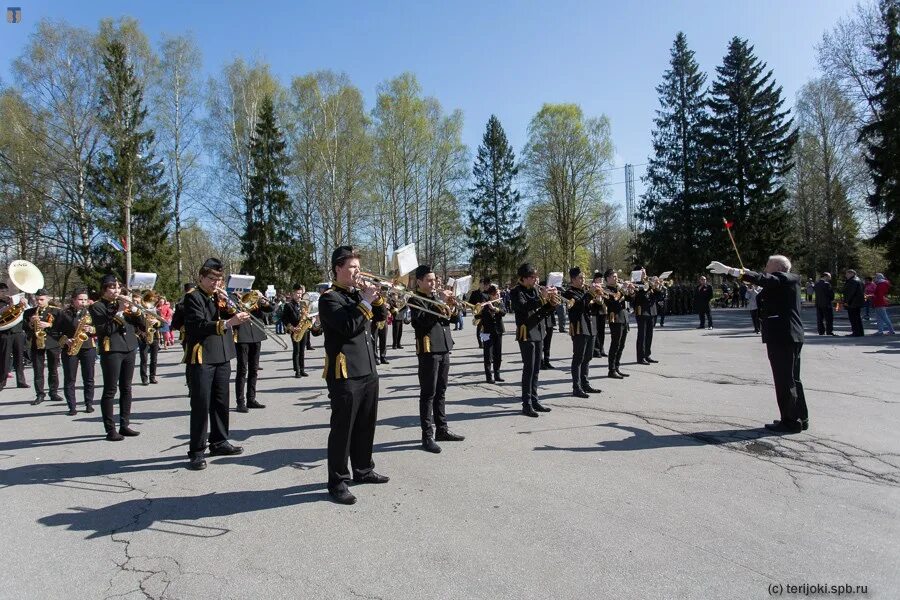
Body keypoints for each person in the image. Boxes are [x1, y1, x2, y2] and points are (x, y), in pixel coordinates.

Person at [319, 246, 390, 505]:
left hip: (368, 368)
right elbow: (348, 327)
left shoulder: (356, 295)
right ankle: (337, 481)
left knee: (366, 423)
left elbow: (381, 318)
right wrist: (366, 301)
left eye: (359, 267)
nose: (358, 272)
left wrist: (376, 299)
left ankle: (363, 468)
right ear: (338, 268)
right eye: (352, 268)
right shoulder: (329, 298)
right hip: (345, 372)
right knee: (343, 429)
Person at [708, 256, 808, 433]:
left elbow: (765, 279)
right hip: (786, 335)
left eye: (767, 265)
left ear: (777, 267)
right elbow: (763, 287)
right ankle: (799, 417)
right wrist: (746, 275)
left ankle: (790, 421)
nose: (765, 268)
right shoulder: (779, 282)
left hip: (783, 336)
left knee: (785, 380)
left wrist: (733, 271)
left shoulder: (787, 277)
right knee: (792, 378)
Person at [183, 258, 249, 470]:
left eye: (219, 280)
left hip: (222, 355)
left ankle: (219, 441)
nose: (215, 283)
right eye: (211, 279)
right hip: (202, 356)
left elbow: (234, 312)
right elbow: (198, 325)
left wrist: (232, 304)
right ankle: (196, 450)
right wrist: (229, 323)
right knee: (201, 404)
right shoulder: (193, 298)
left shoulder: (220, 297)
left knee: (221, 402)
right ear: (201, 278)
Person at [409, 265, 465, 454]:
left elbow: (448, 320)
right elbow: (421, 322)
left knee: (441, 391)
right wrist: (439, 303)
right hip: (429, 350)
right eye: (429, 280)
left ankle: (442, 429)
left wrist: (453, 307)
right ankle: (427, 436)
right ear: (419, 282)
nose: (434, 283)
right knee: (428, 394)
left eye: (434, 279)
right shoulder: (415, 299)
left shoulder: (435, 298)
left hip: (444, 347)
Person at [89, 275, 143, 441]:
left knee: (126, 387)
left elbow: (142, 325)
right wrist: (119, 310)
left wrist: (134, 310)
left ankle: (124, 424)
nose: (117, 291)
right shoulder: (97, 307)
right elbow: (106, 329)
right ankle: (110, 428)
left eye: (118, 287)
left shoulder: (124, 305)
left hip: (129, 347)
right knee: (110, 389)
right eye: (112, 287)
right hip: (112, 349)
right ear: (104, 289)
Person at [510, 263, 558, 417]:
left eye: (536, 276)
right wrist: (540, 298)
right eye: (532, 277)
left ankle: (535, 399)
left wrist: (551, 304)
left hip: (538, 331)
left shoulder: (535, 290)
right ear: (523, 278)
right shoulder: (516, 292)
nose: (536, 280)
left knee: (536, 368)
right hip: (526, 333)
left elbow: (541, 312)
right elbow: (524, 308)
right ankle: (527, 403)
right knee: (529, 368)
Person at [562, 267, 602, 398]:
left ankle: (585, 383)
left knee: (588, 357)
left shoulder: (584, 291)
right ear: (573, 279)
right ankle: (576, 387)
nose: (583, 280)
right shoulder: (569, 293)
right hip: (579, 327)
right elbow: (579, 306)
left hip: (590, 326)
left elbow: (591, 307)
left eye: (584, 277)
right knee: (578, 358)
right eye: (580, 277)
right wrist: (590, 294)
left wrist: (598, 300)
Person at [55, 288, 96, 416]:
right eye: (80, 299)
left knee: (89, 377)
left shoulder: (91, 312)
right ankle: (72, 406)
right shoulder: (64, 313)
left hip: (88, 347)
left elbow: (101, 328)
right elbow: (54, 332)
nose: (83, 302)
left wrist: (92, 329)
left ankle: (89, 404)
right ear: (73, 300)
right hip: (70, 348)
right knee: (70, 378)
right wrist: (66, 340)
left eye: (85, 299)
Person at [234, 289, 274, 413]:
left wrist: (263, 300)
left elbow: (271, 309)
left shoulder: (255, 296)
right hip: (242, 335)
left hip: (256, 335)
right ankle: (240, 401)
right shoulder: (232, 298)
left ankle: (251, 398)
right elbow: (230, 313)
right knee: (242, 369)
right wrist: (240, 300)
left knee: (254, 369)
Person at [22, 288, 63, 405]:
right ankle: (40, 394)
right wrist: (30, 323)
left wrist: (49, 324)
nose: (38, 302)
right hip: (36, 344)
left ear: (48, 299)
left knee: (53, 369)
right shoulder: (29, 312)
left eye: (41, 299)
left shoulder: (56, 311)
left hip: (52, 343)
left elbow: (62, 327)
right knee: (38, 370)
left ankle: (53, 392)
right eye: (37, 299)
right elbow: (25, 329)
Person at [603, 269, 635, 379]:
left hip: (624, 317)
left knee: (621, 345)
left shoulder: (618, 288)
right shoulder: (606, 290)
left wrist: (630, 291)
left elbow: (630, 299)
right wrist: (623, 289)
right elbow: (614, 302)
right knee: (615, 344)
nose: (617, 278)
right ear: (607, 278)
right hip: (615, 318)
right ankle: (611, 370)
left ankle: (617, 367)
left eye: (616, 276)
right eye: (614, 276)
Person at [0, 282, 28, 391]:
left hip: (18, 331)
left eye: (6, 291)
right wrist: (10, 306)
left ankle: (21, 381)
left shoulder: (14, 299)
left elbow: (26, 311)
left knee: (20, 357)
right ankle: (2, 382)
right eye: (2, 291)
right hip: (4, 333)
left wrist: (24, 303)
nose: (5, 293)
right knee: (4, 358)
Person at [478, 284, 506, 383]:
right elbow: (477, 316)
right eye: (496, 294)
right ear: (491, 295)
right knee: (487, 355)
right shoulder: (485, 304)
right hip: (486, 332)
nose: (498, 295)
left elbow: (503, 312)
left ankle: (497, 374)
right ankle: (489, 377)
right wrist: (482, 308)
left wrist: (493, 308)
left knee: (498, 354)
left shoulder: (499, 302)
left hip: (498, 331)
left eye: (498, 293)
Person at [281, 285, 310, 377]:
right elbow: (284, 319)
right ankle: (297, 371)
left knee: (302, 351)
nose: (299, 295)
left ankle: (302, 369)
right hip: (295, 330)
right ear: (293, 294)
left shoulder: (303, 304)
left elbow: (306, 316)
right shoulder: (288, 305)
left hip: (303, 329)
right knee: (296, 351)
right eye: (297, 293)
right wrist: (292, 328)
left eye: (301, 294)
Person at [634, 274, 662, 364]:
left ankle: (647, 355)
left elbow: (657, 298)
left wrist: (658, 287)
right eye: (642, 272)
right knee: (642, 335)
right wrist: (650, 286)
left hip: (651, 311)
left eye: (645, 272)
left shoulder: (649, 283)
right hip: (642, 311)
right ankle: (640, 357)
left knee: (649, 335)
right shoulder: (637, 284)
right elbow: (640, 298)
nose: (644, 274)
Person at [137, 291, 161, 385]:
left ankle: (152, 377)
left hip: (154, 335)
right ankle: (144, 378)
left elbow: (162, 323)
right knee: (144, 358)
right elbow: (137, 323)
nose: (154, 301)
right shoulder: (140, 310)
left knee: (154, 359)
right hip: (143, 336)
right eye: (152, 299)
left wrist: (156, 322)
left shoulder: (156, 310)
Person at [468, 277, 490, 349]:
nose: (483, 285)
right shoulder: (474, 293)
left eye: (484, 284)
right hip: (478, 313)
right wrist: (474, 308)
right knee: (479, 329)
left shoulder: (487, 293)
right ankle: (480, 343)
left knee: (486, 328)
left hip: (486, 313)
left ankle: (485, 342)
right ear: (479, 284)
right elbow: (470, 303)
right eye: (482, 284)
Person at [842, 270, 865, 337]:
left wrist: (846, 302)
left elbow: (850, 293)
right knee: (857, 318)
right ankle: (860, 332)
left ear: (852, 273)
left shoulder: (852, 281)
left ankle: (856, 332)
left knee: (853, 318)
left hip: (852, 303)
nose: (846, 275)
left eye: (847, 274)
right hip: (857, 302)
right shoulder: (859, 280)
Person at [591, 271, 608, 357]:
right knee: (596, 331)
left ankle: (601, 349)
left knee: (602, 331)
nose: (601, 280)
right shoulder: (592, 287)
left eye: (601, 278)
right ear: (595, 279)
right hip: (594, 311)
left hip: (602, 311)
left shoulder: (603, 287)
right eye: (599, 278)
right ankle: (595, 350)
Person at [541, 280, 557, 370]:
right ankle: (541, 361)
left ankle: (547, 361)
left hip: (550, 321)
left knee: (548, 343)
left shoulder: (551, 296)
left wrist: (553, 298)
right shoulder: (541, 297)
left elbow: (553, 309)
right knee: (542, 343)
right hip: (542, 321)